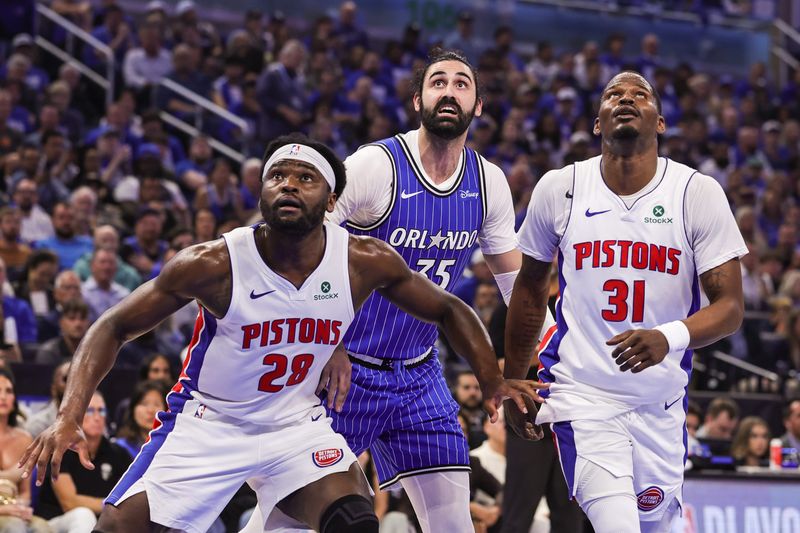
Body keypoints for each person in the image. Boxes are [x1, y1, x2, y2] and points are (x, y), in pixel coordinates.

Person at [19, 135, 541, 533]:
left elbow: (450, 308)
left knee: (357, 522)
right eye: (277, 177)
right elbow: (111, 326)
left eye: (304, 178)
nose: (288, 185)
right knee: (115, 529)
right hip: (210, 423)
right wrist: (68, 415)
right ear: (263, 191)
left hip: (294, 423)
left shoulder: (361, 261)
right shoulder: (214, 263)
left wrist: (493, 379)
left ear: (332, 201)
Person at [247, 48, 554, 533]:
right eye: (438, 82)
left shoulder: (488, 182)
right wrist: (328, 343)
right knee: (288, 522)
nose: (449, 91)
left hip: (419, 374)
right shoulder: (376, 165)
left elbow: (520, 288)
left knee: (453, 521)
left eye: (461, 84)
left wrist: (548, 357)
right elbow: (300, 238)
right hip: (345, 373)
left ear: (478, 106)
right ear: (417, 100)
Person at [504, 71, 746, 533]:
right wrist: (516, 377)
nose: (627, 99)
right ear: (598, 123)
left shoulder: (697, 193)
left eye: (641, 94)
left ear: (659, 123)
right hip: (584, 396)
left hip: (660, 403)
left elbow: (730, 306)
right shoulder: (561, 188)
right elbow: (531, 288)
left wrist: (668, 337)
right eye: (613, 94)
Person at [35, 391, 131, 533]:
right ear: (76, 416)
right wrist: (110, 505)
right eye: (90, 410)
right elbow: (70, 503)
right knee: (83, 515)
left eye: (101, 411)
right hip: (55, 523)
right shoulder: (61, 449)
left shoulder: (119, 454)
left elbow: (129, 498)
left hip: (102, 524)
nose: (97, 417)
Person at [0, 367, 51, 533]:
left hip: (13, 510)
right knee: (13, 526)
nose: (3, 397)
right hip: (6, 515)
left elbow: (25, 493)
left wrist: (20, 506)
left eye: (8, 391)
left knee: (43, 528)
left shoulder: (25, 439)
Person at [112, 380, 169, 458]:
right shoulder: (119, 448)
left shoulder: (173, 446)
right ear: (133, 409)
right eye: (144, 403)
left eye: (157, 404)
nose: (150, 410)